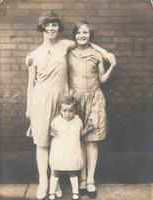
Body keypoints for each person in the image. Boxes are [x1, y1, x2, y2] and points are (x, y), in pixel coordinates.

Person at [25, 11, 116, 200]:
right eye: (47, 25)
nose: (51, 28)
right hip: (41, 100)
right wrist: (29, 107)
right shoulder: (34, 54)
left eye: (54, 25)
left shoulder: (66, 45)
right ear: (42, 27)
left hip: (63, 100)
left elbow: (87, 42)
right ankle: (44, 183)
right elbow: (30, 84)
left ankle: (55, 183)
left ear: (58, 27)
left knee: (60, 140)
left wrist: (105, 53)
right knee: (42, 142)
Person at [68, 20, 116, 199]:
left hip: (94, 99)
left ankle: (90, 180)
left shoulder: (96, 55)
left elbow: (102, 80)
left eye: (85, 32)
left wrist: (112, 66)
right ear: (74, 35)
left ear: (90, 36)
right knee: (78, 139)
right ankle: (80, 180)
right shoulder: (69, 53)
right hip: (76, 102)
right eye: (79, 32)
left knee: (92, 141)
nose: (82, 35)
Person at [49, 95, 91, 200]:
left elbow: (80, 134)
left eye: (71, 111)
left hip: (72, 150)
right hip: (59, 151)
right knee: (56, 171)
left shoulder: (78, 121)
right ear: (60, 110)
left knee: (73, 171)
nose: (68, 113)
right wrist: (51, 132)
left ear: (75, 110)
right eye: (65, 110)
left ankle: (75, 192)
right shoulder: (56, 121)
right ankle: (51, 192)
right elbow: (51, 132)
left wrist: (87, 130)